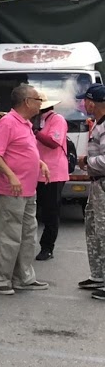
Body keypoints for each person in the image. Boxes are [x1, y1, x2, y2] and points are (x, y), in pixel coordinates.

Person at [0, 84, 51, 295]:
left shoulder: (25, 124)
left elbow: (24, 150)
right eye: (38, 99)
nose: (41, 103)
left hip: (27, 189)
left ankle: (23, 276)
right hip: (10, 189)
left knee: (27, 235)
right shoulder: (8, 122)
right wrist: (11, 175)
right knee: (7, 235)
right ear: (27, 102)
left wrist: (40, 162)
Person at [77, 84, 105, 300]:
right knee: (93, 229)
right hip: (97, 184)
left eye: (85, 100)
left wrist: (86, 161)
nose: (82, 104)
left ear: (93, 102)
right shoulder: (98, 123)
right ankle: (98, 275)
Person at [34, 96, 68, 261]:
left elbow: (53, 142)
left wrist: (35, 132)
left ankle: (47, 247)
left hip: (54, 172)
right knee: (37, 209)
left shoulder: (57, 120)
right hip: (38, 171)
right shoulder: (39, 120)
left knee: (51, 211)